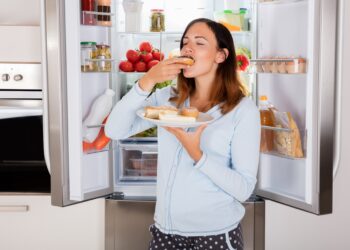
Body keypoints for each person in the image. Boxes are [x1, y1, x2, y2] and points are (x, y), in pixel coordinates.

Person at [105, 18, 260, 250]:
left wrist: (197, 154)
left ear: (221, 55)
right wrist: (147, 81)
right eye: (185, 42)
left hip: (215, 235)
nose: (187, 48)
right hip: (165, 231)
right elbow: (114, 130)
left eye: (199, 42)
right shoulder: (169, 97)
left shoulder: (243, 110)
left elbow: (244, 189)